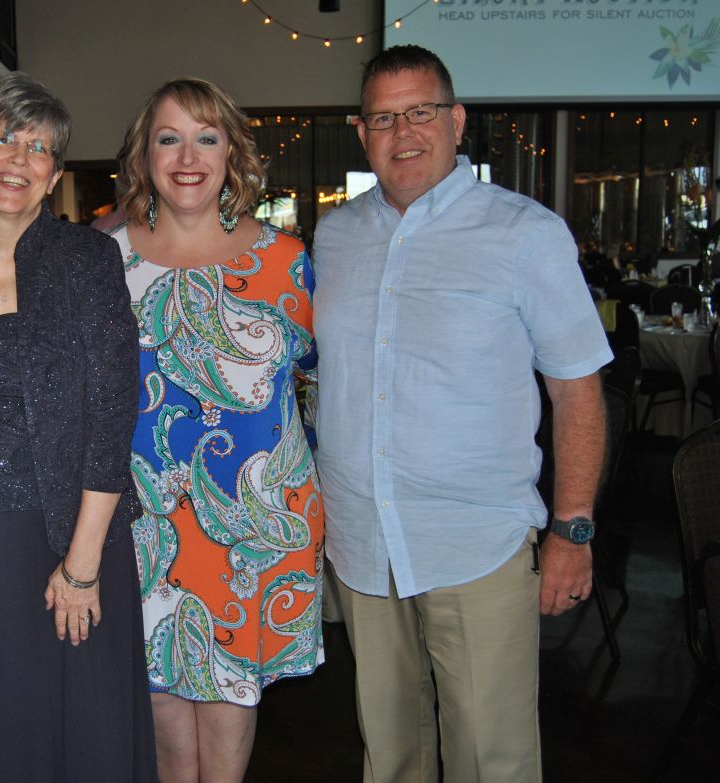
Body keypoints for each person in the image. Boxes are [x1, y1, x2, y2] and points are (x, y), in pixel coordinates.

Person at [313, 45, 611, 782]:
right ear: (361, 133)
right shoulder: (335, 236)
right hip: (362, 543)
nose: (403, 133)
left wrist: (572, 528)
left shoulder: (525, 233)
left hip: (476, 543)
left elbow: (577, 390)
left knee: (491, 761)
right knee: (391, 755)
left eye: (420, 112)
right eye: (384, 118)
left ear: (456, 120)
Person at [0, 72, 155, 783]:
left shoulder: (88, 259)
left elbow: (113, 413)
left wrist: (82, 565)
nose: (19, 159)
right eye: (3, 139)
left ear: (53, 176)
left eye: (40, 148)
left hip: (71, 538)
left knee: (80, 734)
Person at [113, 78, 324, 783]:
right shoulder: (106, 261)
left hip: (257, 524)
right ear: (144, 155)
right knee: (163, 715)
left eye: (207, 138)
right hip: (144, 526)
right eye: (168, 139)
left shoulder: (286, 260)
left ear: (232, 152)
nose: (187, 158)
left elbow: (320, 380)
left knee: (232, 699)